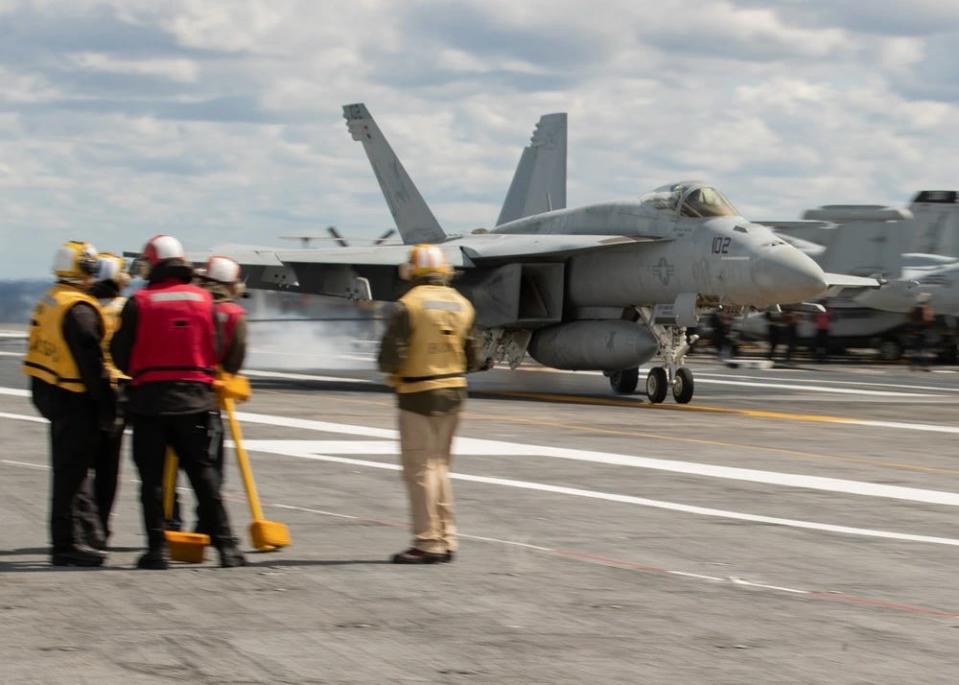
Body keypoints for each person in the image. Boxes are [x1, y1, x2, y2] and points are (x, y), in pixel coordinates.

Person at [110, 235, 246, 569]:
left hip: (149, 402)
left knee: (152, 481)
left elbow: (120, 354)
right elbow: (218, 348)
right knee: (204, 476)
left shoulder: (139, 302)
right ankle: (227, 547)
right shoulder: (203, 300)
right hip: (195, 400)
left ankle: (157, 549)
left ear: (152, 263)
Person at [377, 244, 484, 564]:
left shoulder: (407, 306)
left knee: (420, 471)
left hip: (418, 393)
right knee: (439, 467)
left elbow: (388, 359)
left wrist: (397, 371)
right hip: (454, 392)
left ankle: (427, 542)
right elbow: (475, 357)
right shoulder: (463, 305)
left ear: (414, 271)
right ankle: (447, 537)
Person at [22, 241, 114, 566]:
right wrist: (107, 406)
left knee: (68, 470)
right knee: (70, 475)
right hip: (73, 398)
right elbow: (92, 363)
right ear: (84, 269)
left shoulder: (51, 300)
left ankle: (74, 538)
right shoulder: (80, 309)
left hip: (47, 391)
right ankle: (65, 545)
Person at [85, 252, 130, 545]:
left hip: (83, 391)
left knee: (79, 465)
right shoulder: (125, 308)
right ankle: (102, 525)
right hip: (117, 392)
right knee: (108, 465)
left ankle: (85, 525)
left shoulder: (81, 306)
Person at [909, 294, 935, 371]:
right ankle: (923, 366)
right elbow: (929, 320)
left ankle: (914, 366)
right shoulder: (925, 309)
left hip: (917, 332)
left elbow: (911, 318)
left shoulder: (916, 309)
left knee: (917, 350)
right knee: (923, 350)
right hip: (923, 332)